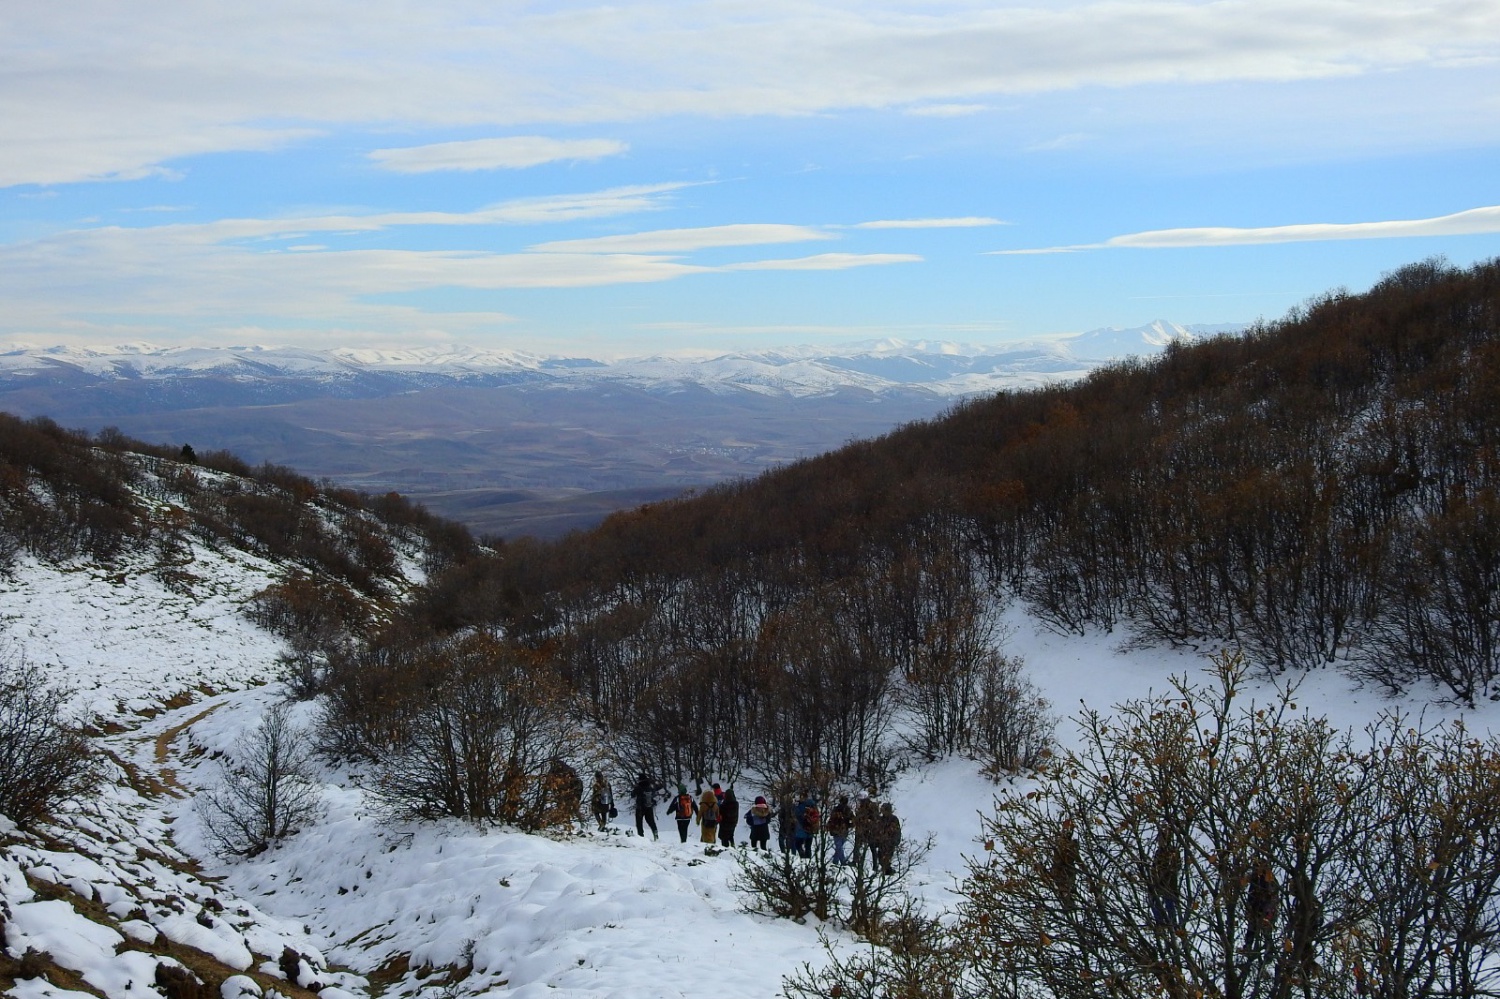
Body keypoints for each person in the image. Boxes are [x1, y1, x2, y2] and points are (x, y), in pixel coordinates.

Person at [1245, 861, 1278, 954]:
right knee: (1251, 928)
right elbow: (1251, 895)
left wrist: (1268, 911)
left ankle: (1269, 952)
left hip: (1266, 910)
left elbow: (1272, 898)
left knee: (1266, 932)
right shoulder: (1255, 880)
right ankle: (1248, 946)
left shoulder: (1269, 879)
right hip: (1255, 909)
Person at [871, 801, 901, 875]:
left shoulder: (893, 819)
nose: (882, 812)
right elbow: (877, 830)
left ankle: (888, 871)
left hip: (890, 842)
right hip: (881, 842)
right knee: (880, 856)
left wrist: (895, 840)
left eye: (884, 810)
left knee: (886, 857)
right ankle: (887, 870)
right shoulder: (881, 819)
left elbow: (897, 831)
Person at [630, 773, 660, 841]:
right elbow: (654, 793)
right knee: (651, 821)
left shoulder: (638, 787)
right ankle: (655, 833)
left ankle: (641, 837)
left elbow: (632, 795)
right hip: (649, 806)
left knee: (639, 823)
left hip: (640, 808)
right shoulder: (650, 786)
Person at [825, 795, 853, 865]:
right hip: (844, 830)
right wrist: (849, 825)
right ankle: (842, 861)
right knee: (839, 846)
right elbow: (853, 819)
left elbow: (831, 818)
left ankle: (836, 860)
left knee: (838, 846)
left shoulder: (836, 809)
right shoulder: (847, 810)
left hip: (836, 830)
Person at [853, 789, 878, 865]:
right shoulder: (860, 807)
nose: (860, 801)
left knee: (872, 848)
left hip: (870, 830)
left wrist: (868, 822)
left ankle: (875, 865)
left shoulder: (872, 806)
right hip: (861, 829)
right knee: (857, 846)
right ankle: (855, 861)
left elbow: (875, 818)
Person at [794, 793, 820, 859]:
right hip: (810, 830)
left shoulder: (800, 806)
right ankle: (809, 860)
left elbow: (797, 815)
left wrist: (795, 806)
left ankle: (803, 857)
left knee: (798, 844)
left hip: (801, 830)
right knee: (808, 846)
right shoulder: (812, 804)